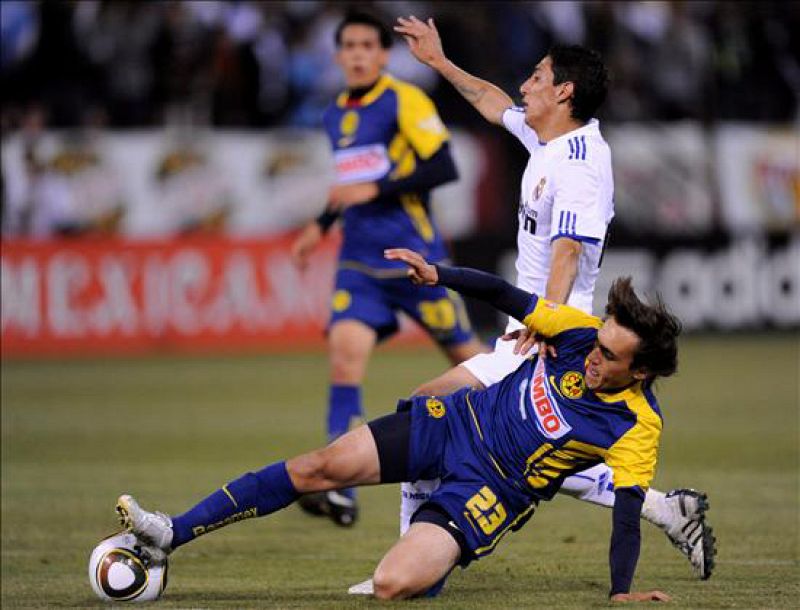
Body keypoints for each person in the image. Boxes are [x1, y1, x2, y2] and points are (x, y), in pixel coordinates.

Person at [336, 14, 712, 590]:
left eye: (538, 75)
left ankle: (414, 571)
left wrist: (546, 325)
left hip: (551, 333)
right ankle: (665, 509)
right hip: (530, 327)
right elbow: (490, 102)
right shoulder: (550, 137)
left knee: (430, 414)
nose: (525, 83)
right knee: (510, 444)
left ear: (564, 91)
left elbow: (567, 251)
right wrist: (437, 61)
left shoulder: (583, 165)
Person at [115, 250, 682, 602]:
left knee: (392, 585)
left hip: (490, 491)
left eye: (610, 357)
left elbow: (628, 513)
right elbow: (503, 293)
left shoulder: (637, 426)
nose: (594, 356)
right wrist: (439, 275)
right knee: (319, 465)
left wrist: (620, 592)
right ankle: (171, 532)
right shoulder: (579, 332)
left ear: (643, 370)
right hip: (456, 424)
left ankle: (427, 560)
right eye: (600, 344)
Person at [288, 11, 485, 526]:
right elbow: (350, 184)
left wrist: (374, 190)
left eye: (366, 46)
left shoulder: (403, 100)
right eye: (347, 46)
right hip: (358, 263)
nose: (356, 54)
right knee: (344, 360)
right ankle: (342, 488)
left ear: (382, 54)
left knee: (478, 366)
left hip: (417, 264)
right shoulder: (334, 115)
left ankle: (522, 439)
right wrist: (321, 224)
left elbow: (443, 166)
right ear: (337, 56)